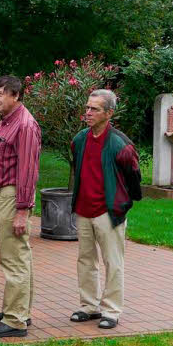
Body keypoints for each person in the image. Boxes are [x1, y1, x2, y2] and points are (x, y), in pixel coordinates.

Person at [69, 89, 142, 329]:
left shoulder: (120, 145)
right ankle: (88, 305)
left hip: (108, 213)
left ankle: (111, 310)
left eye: (94, 109)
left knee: (113, 262)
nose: (88, 113)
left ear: (109, 113)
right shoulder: (80, 140)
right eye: (87, 108)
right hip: (83, 210)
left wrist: (122, 202)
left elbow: (133, 176)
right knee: (85, 260)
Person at [0, 75, 41, 339]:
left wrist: (22, 210)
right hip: (2, 194)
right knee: (18, 256)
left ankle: (15, 321)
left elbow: (27, 171)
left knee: (14, 258)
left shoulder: (24, 125)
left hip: (14, 198)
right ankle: (19, 311)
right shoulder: (7, 122)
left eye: (1, 93)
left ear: (16, 95)